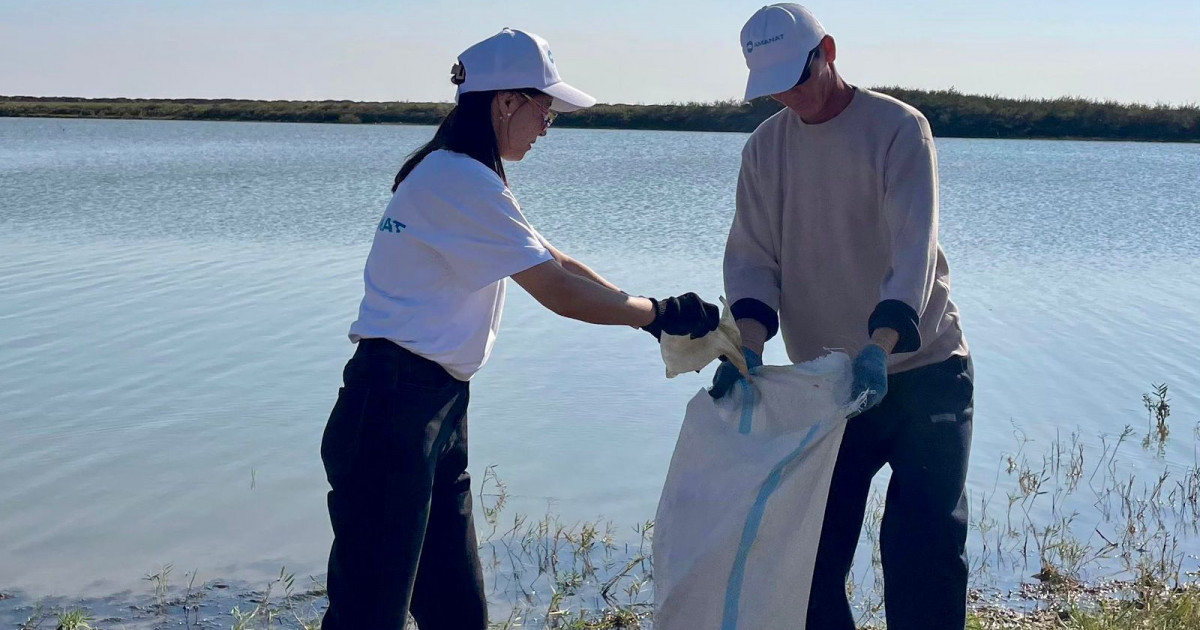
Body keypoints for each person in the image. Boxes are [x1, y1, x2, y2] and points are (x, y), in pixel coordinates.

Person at [319, 28, 720, 630]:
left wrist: (640, 311)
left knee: (456, 614)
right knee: (367, 617)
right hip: (391, 410)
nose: (548, 124)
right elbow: (557, 293)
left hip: (432, 407)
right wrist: (657, 312)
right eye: (545, 109)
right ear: (506, 102)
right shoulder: (456, 179)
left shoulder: (462, 174)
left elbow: (554, 263)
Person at [710, 4, 974, 629]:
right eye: (772, 86)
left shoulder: (898, 129)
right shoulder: (764, 150)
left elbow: (912, 250)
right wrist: (746, 346)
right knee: (806, 562)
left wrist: (879, 346)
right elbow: (752, 259)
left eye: (797, 78)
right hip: (828, 385)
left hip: (922, 368)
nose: (789, 96)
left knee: (924, 551)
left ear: (827, 50)